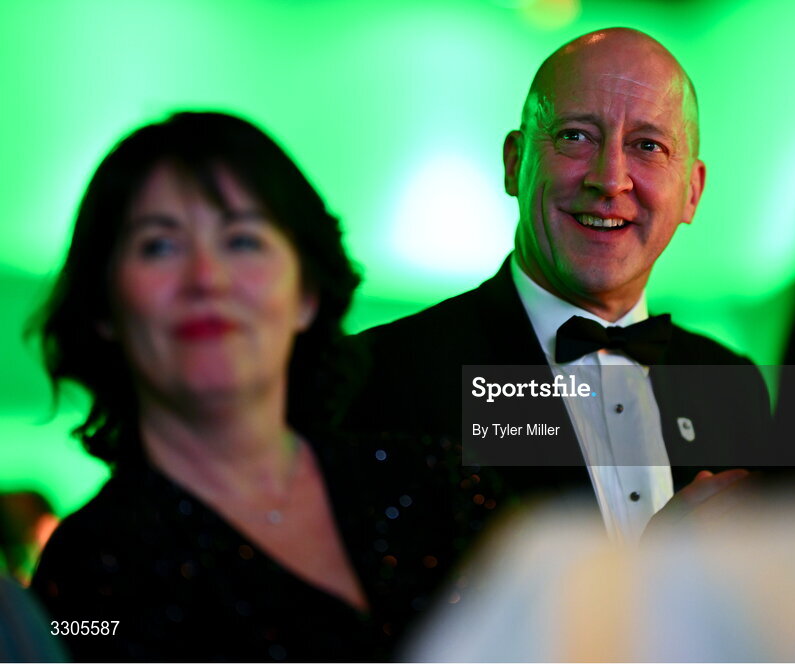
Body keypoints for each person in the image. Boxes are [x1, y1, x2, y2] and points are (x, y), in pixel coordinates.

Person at [28, 112, 486, 661]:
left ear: (307, 294)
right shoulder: (84, 579)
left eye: (241, 240)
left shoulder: (437, 484)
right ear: (104, 307)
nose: (207, 278)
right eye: (159, 246)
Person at [345, 28, 769, 544]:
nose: (610, 178)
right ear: (514, 163)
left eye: (648, 145)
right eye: (575, 136)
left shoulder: (733, 387)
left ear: (692, 193)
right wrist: (652, 575)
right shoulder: (382, 375)